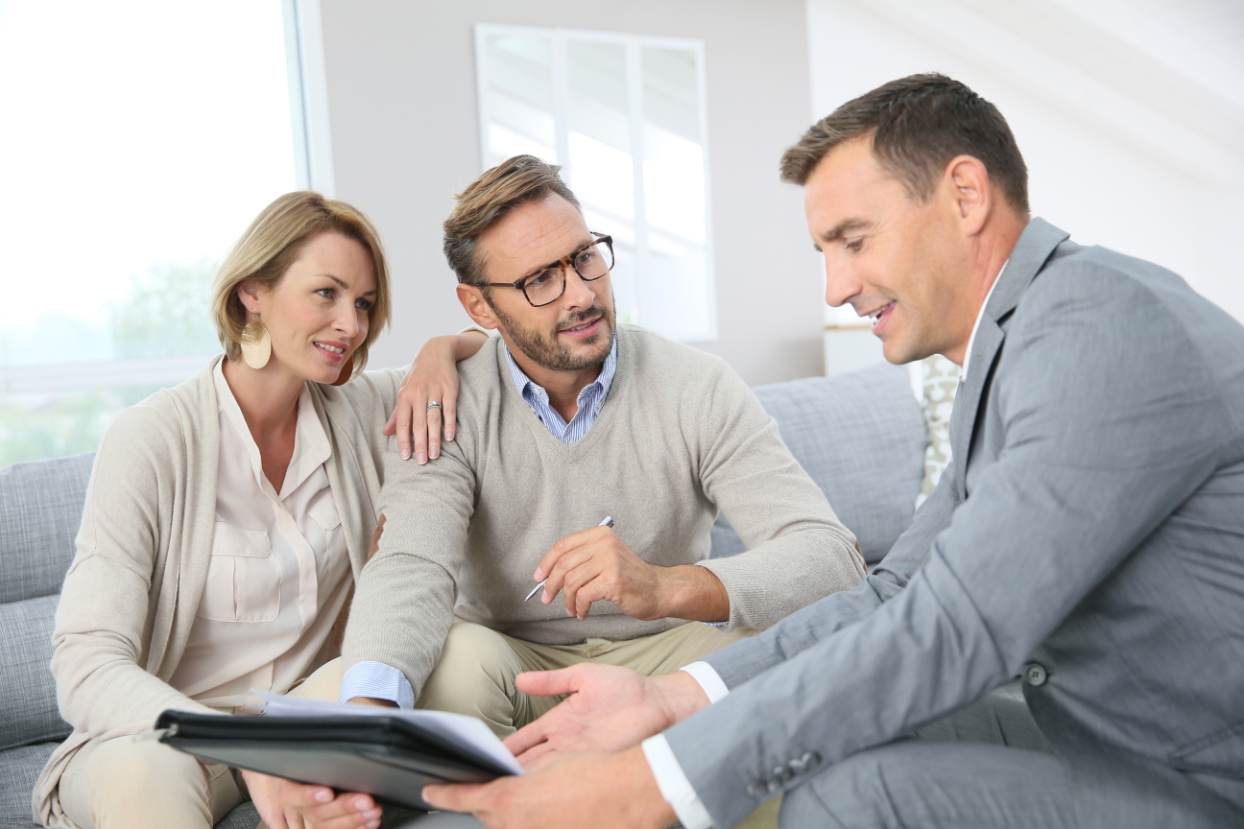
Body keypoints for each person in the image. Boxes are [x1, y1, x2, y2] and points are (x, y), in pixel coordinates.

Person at [419, 74, 1244, 829]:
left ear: (964, 194)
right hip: (1101, 733)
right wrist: (674, 697)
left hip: (1205, 777)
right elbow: (895, 593)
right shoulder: (1018, 348)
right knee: (837, 735)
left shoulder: (1100, 332)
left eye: (854, 240)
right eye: (826, 252)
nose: (836, 288)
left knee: (844, 796)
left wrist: (652, 784)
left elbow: (958, 626)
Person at [334, 155, 866, 741]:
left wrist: (667, 586)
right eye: (540, 279)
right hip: (519, 666)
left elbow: (830, 555)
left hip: (670, 654)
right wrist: (368, 724)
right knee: (452, 666)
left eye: (585, 258)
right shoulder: (443, 401)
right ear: (479, 306)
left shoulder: (696, 384)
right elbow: (413, 564)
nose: (581, 295)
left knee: (791, 639)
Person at [33, 191, 484, 829]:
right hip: (169, 737)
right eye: (325, 293)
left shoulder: (357, 412)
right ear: (254, 291)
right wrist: (248, 758)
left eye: (362, 304)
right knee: (143, 776)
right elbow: (85, 666)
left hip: (303, 718)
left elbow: (485, 355)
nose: (351, 326)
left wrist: (438, 349)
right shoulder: (153, 439)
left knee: (451, 657)